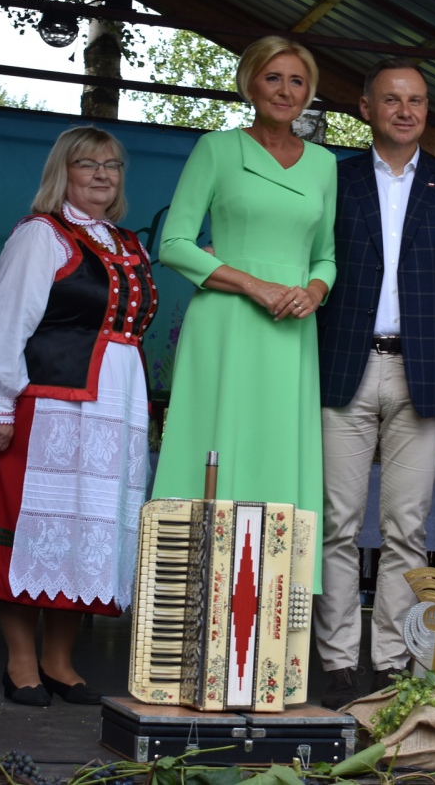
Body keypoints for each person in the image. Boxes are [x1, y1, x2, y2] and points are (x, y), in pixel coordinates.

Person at [0, 127, 155, 707]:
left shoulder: (127, 241)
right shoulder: (42, 235)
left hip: (114, 405)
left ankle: (60, 661)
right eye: (87, 164)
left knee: (85, 534)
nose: (101, 174)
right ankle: (20, 663)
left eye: (112, 165)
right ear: (61, 173)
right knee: (34, 531)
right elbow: (6, 319)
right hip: (50, 404)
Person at [314, 59, 435, 709]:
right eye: (392, 99)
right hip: (343, 366)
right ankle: (335, 661)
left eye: (416, 100)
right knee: (337, 523)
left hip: (425, 374)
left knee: (407, 527)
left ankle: (390, 661)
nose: (406, 110)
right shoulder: (333, 181)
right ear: (366, 107)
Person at [151, 38, 335, 574]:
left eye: (297, 81)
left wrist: (314, 291)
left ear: (309, 92)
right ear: (250, 84)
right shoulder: (217, 148)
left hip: (292, 331)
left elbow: (326, 257)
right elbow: (174, 244)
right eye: (273, 78)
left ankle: (274, 599)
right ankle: (196, 587)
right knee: (217, 449)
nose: (285, 90)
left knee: (279, 457)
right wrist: (255, 286)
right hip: (227, 323)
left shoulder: (325, 165)